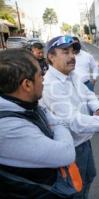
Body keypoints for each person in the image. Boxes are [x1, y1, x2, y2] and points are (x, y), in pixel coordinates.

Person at [41, 35, 99, 199]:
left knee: (89, 178)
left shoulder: (71, 75)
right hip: (71, 149)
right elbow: (73, 121)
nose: (72, 56)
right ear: (51, 57)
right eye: (65, 52)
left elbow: (89, 95)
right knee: (75, 191)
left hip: (84, 142)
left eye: (72, 52)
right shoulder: (50, 85)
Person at [0, 49, 75, 198]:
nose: (44, 80)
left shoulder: (24, 103)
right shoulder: (7, 127)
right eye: (40, 75)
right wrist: (60, 125)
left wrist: (54, 122)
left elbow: (49, 115)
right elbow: (66, 153)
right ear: (27, 85)